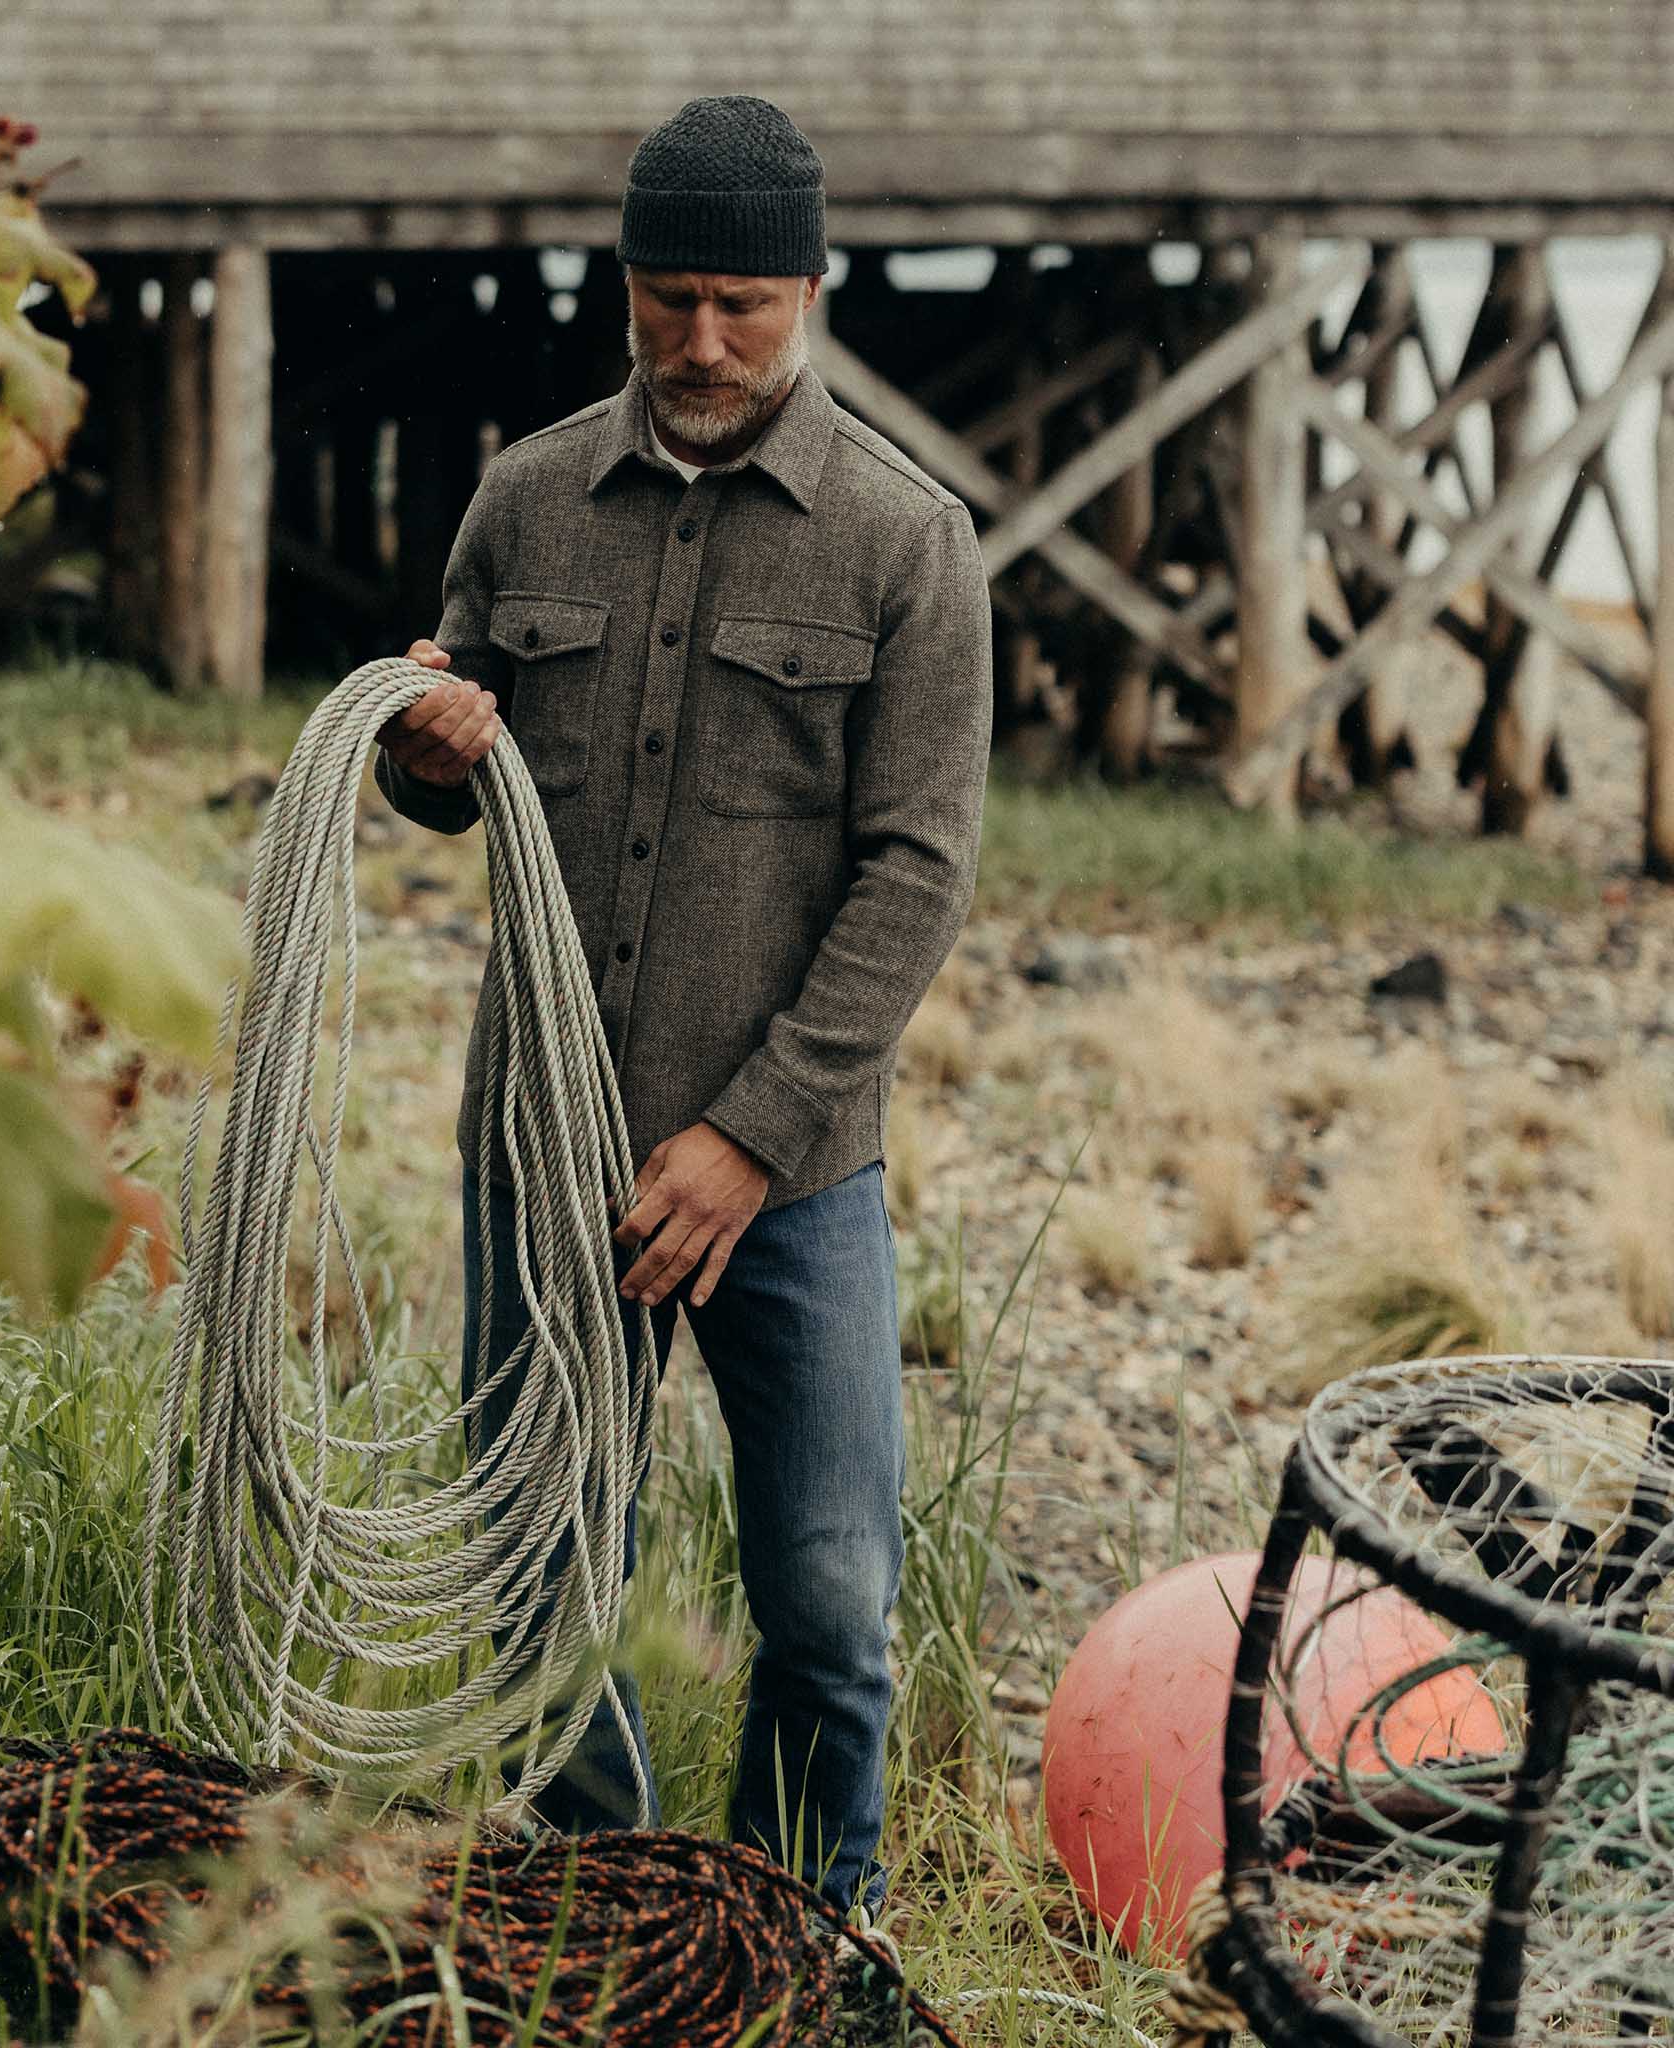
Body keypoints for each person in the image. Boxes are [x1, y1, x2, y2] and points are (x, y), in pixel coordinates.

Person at [371, 93, 995, 1919]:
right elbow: (447, 773)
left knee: (823, 1595)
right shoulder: (522, 497)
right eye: (667, 301)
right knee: (542, 1566)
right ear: (622, 286)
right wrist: (418, 751)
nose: (701, 343)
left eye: (740, 302)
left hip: (789, 1182)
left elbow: (917, 879)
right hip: (539, 1147)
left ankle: (808, 1939)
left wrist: (744, 1141)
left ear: (811, 287)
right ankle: (607, 1922)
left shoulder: (909, 542)